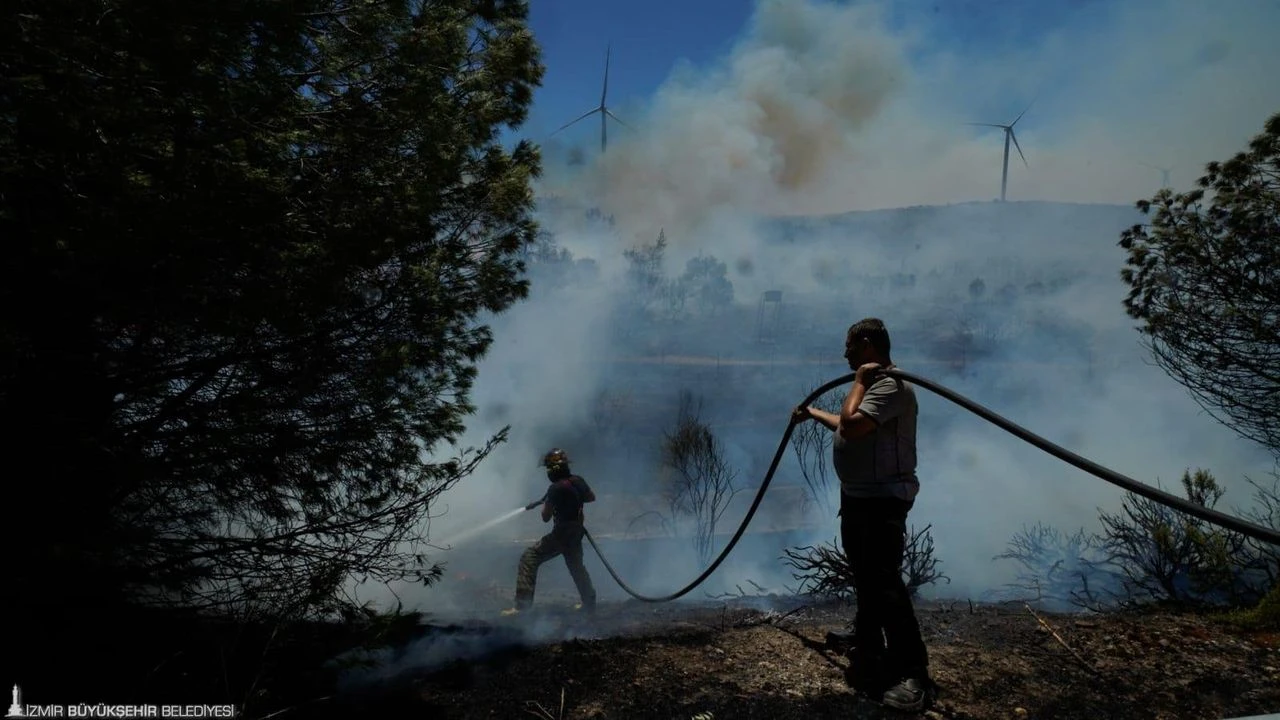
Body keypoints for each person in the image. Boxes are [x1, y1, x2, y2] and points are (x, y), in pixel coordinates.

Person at [791, 318, 934, 712]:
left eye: (850, 347)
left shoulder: (890, 386)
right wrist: (814, 413)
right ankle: (868, 640)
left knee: (884, 580)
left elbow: (853, 426)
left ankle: (914, 673)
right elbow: (844, 425)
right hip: (859, 497)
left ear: (868, 345)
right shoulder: (875, 388)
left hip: (883, 500)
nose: (846, 354)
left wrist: (858, 382)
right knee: (864, 572)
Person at [502, 448, 598, 616]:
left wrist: (553, 500)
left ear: (553, 470)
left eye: (548, 469)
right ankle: (589, 603)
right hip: (577, 530)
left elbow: (545, 517)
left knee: (529, 558)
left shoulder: (555, 489)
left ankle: (521, 607)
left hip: (562, 532)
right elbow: (591, 497)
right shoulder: (578, 481)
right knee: (576, 566)